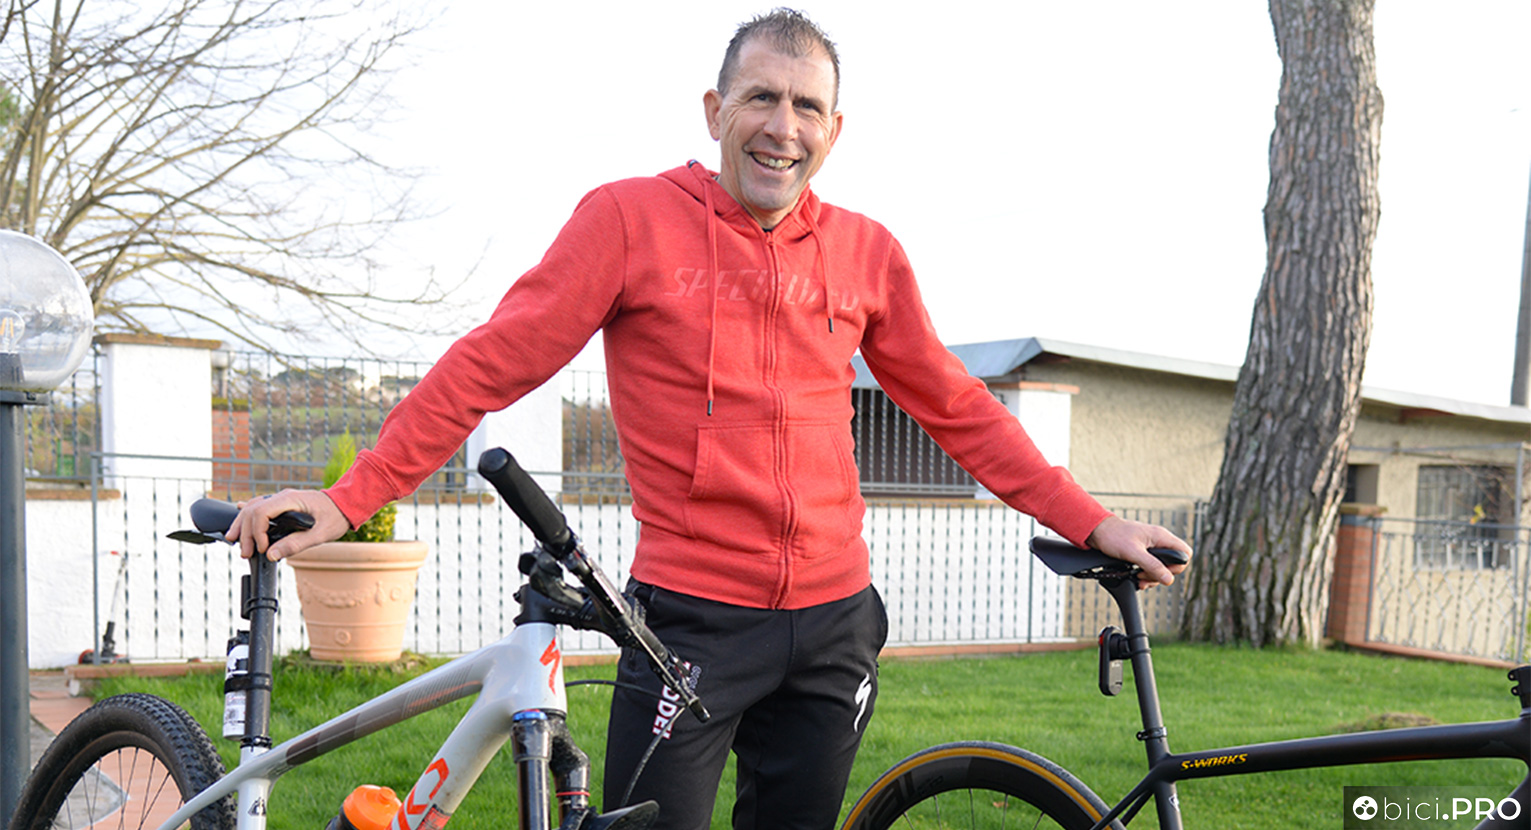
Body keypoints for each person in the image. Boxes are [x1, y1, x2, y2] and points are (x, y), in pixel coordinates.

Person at [228, 9, 1192, 829]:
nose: (782, 127)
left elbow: (956, 405)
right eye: (760, 98)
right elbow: (490, 361)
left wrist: (1087, 520)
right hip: (686, 626)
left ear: (834, 129)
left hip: (834, 627)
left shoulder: (866, 252)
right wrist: (352, 497)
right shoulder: (628, 221)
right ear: (713, 110)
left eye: (806, 107)